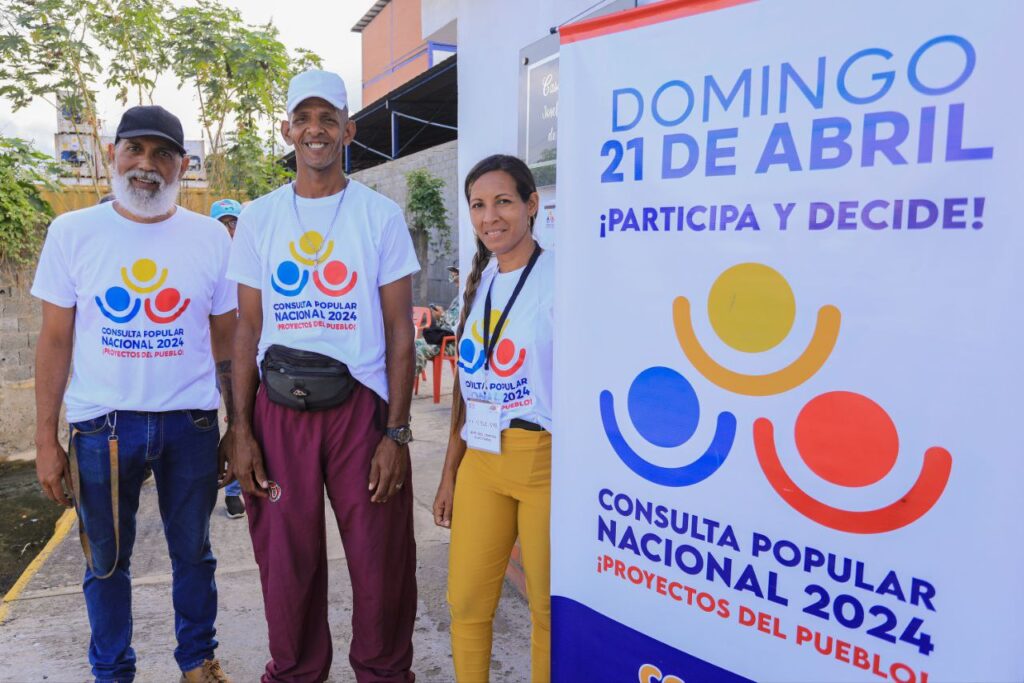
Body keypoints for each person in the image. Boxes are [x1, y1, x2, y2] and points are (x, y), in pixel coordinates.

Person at [227, 69, 419, 683]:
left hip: (360, 410)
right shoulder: (259, 218)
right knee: (287, 566)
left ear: (347, 129)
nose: (315, 130)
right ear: (287, 129)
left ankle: (384, 674)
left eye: (327, 118)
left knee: (380, 564)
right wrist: (241, 429)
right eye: (303, 119)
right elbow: (246, 330)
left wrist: (396, 435)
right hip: (279, 411)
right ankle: (295, 672)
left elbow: (398, 333)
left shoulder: (379, 216)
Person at [32, 105, 235, 683]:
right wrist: (45, 438)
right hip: (102, 428)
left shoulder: (209, 238)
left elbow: (226, 338)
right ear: (112, 153)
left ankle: (198, 661)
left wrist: (236, 424)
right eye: (135, 150)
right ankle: (113, 672)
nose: (146, 165)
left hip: (190, 424)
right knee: (105, 562)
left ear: (183, 165)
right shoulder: (72, 232)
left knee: (193, 554)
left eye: (162, 154)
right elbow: (54, 338)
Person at [432, 154, 553, 682]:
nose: (490, 217)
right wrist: (449, 472)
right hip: (481, 457)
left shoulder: (560, 278)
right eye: (478, 205)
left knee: (548, 612)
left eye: (503, 201)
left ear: (532, 204)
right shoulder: (478, 283)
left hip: (543, 461)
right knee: (466, 602)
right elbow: (467, 386)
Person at [210, 198, 245, 518]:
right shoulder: (204, 260)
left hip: (243, 358)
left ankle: (235, 490)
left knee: (241, 421)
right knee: (205, 423)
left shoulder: (252, 261)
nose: (229, 230)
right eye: (222, 223)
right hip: (208, 359)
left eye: (234, 223)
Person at [414, 265, 460, 377]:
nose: (457, 285)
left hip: (453, 343)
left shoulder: (469, 298)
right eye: (455, 282)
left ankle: (408, 382)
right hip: (443, 339)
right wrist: (439, 317)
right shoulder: (457, 299)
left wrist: (443, 315)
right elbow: (445, 326)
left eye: (458, 281)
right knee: (412, 345)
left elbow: (457, 326)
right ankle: (409, 379)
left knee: (418, 351)